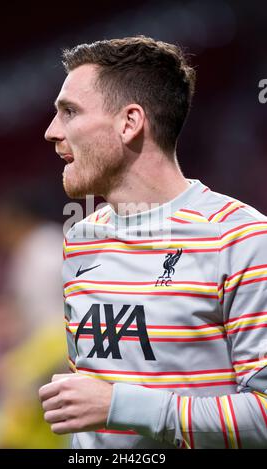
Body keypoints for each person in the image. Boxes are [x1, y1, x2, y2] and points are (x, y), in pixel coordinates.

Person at [39, 36, 267, 449]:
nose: (51, 132)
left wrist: (120, 406)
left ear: (130, 122)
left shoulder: (242, 239)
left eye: (69, 112)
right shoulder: (81, 240)